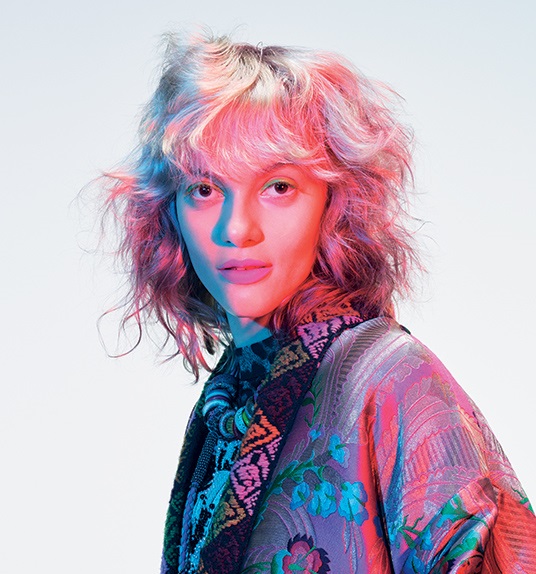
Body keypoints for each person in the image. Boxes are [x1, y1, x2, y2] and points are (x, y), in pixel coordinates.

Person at [103, 32, 536, 573]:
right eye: (205, 189)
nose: (236, 229)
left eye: (279, 187)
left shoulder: (389, 379)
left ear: (334, 202)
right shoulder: (228, 396)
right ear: (169, 210)